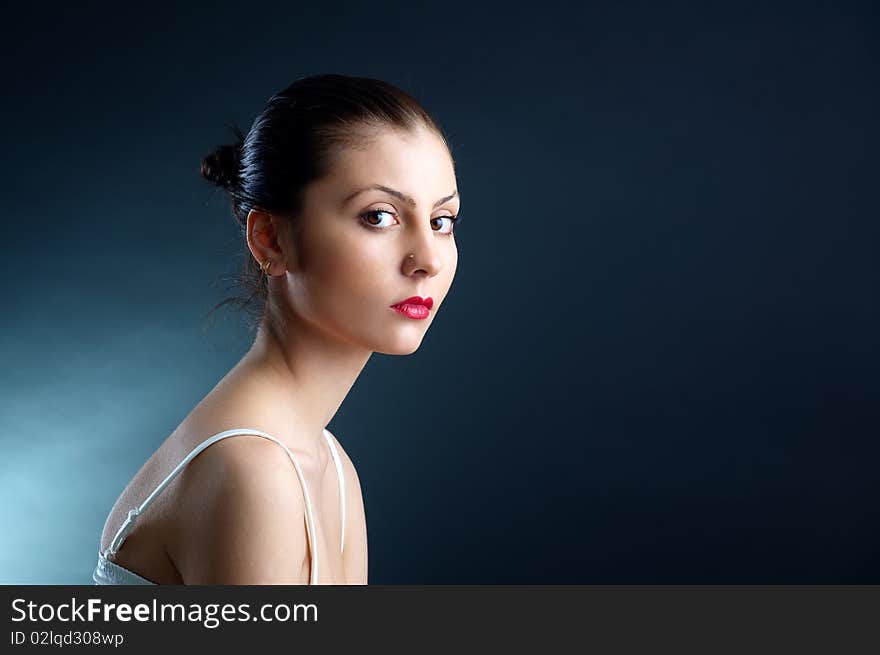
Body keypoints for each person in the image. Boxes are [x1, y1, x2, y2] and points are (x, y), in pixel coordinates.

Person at [92, 73, 462, 585]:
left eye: (442, 221)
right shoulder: (252, 473)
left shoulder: (330, 465)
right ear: (270, 239)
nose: (426, 259)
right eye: (379, 216)